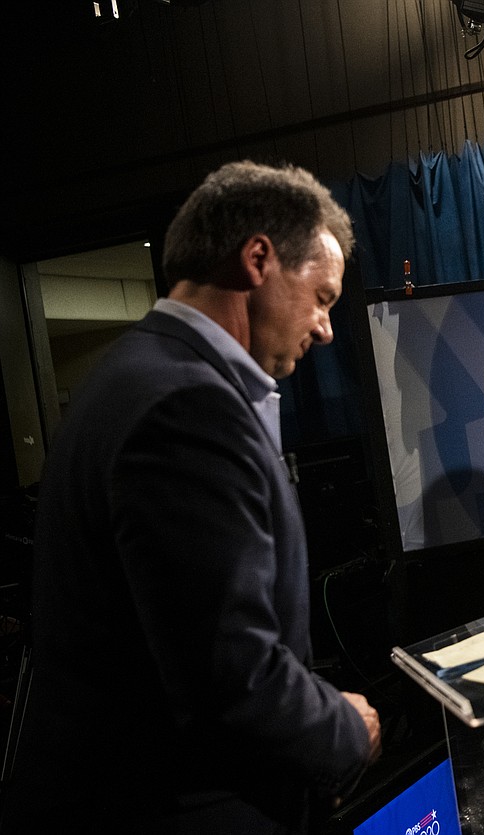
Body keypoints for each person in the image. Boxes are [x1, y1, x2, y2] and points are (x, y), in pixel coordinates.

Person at [2, 161, 381, 833]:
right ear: (257, 257)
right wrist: (345, 727)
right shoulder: (187, 405)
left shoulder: (127, 373)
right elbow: (229, 674)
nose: (325, 328)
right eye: (321, 296)